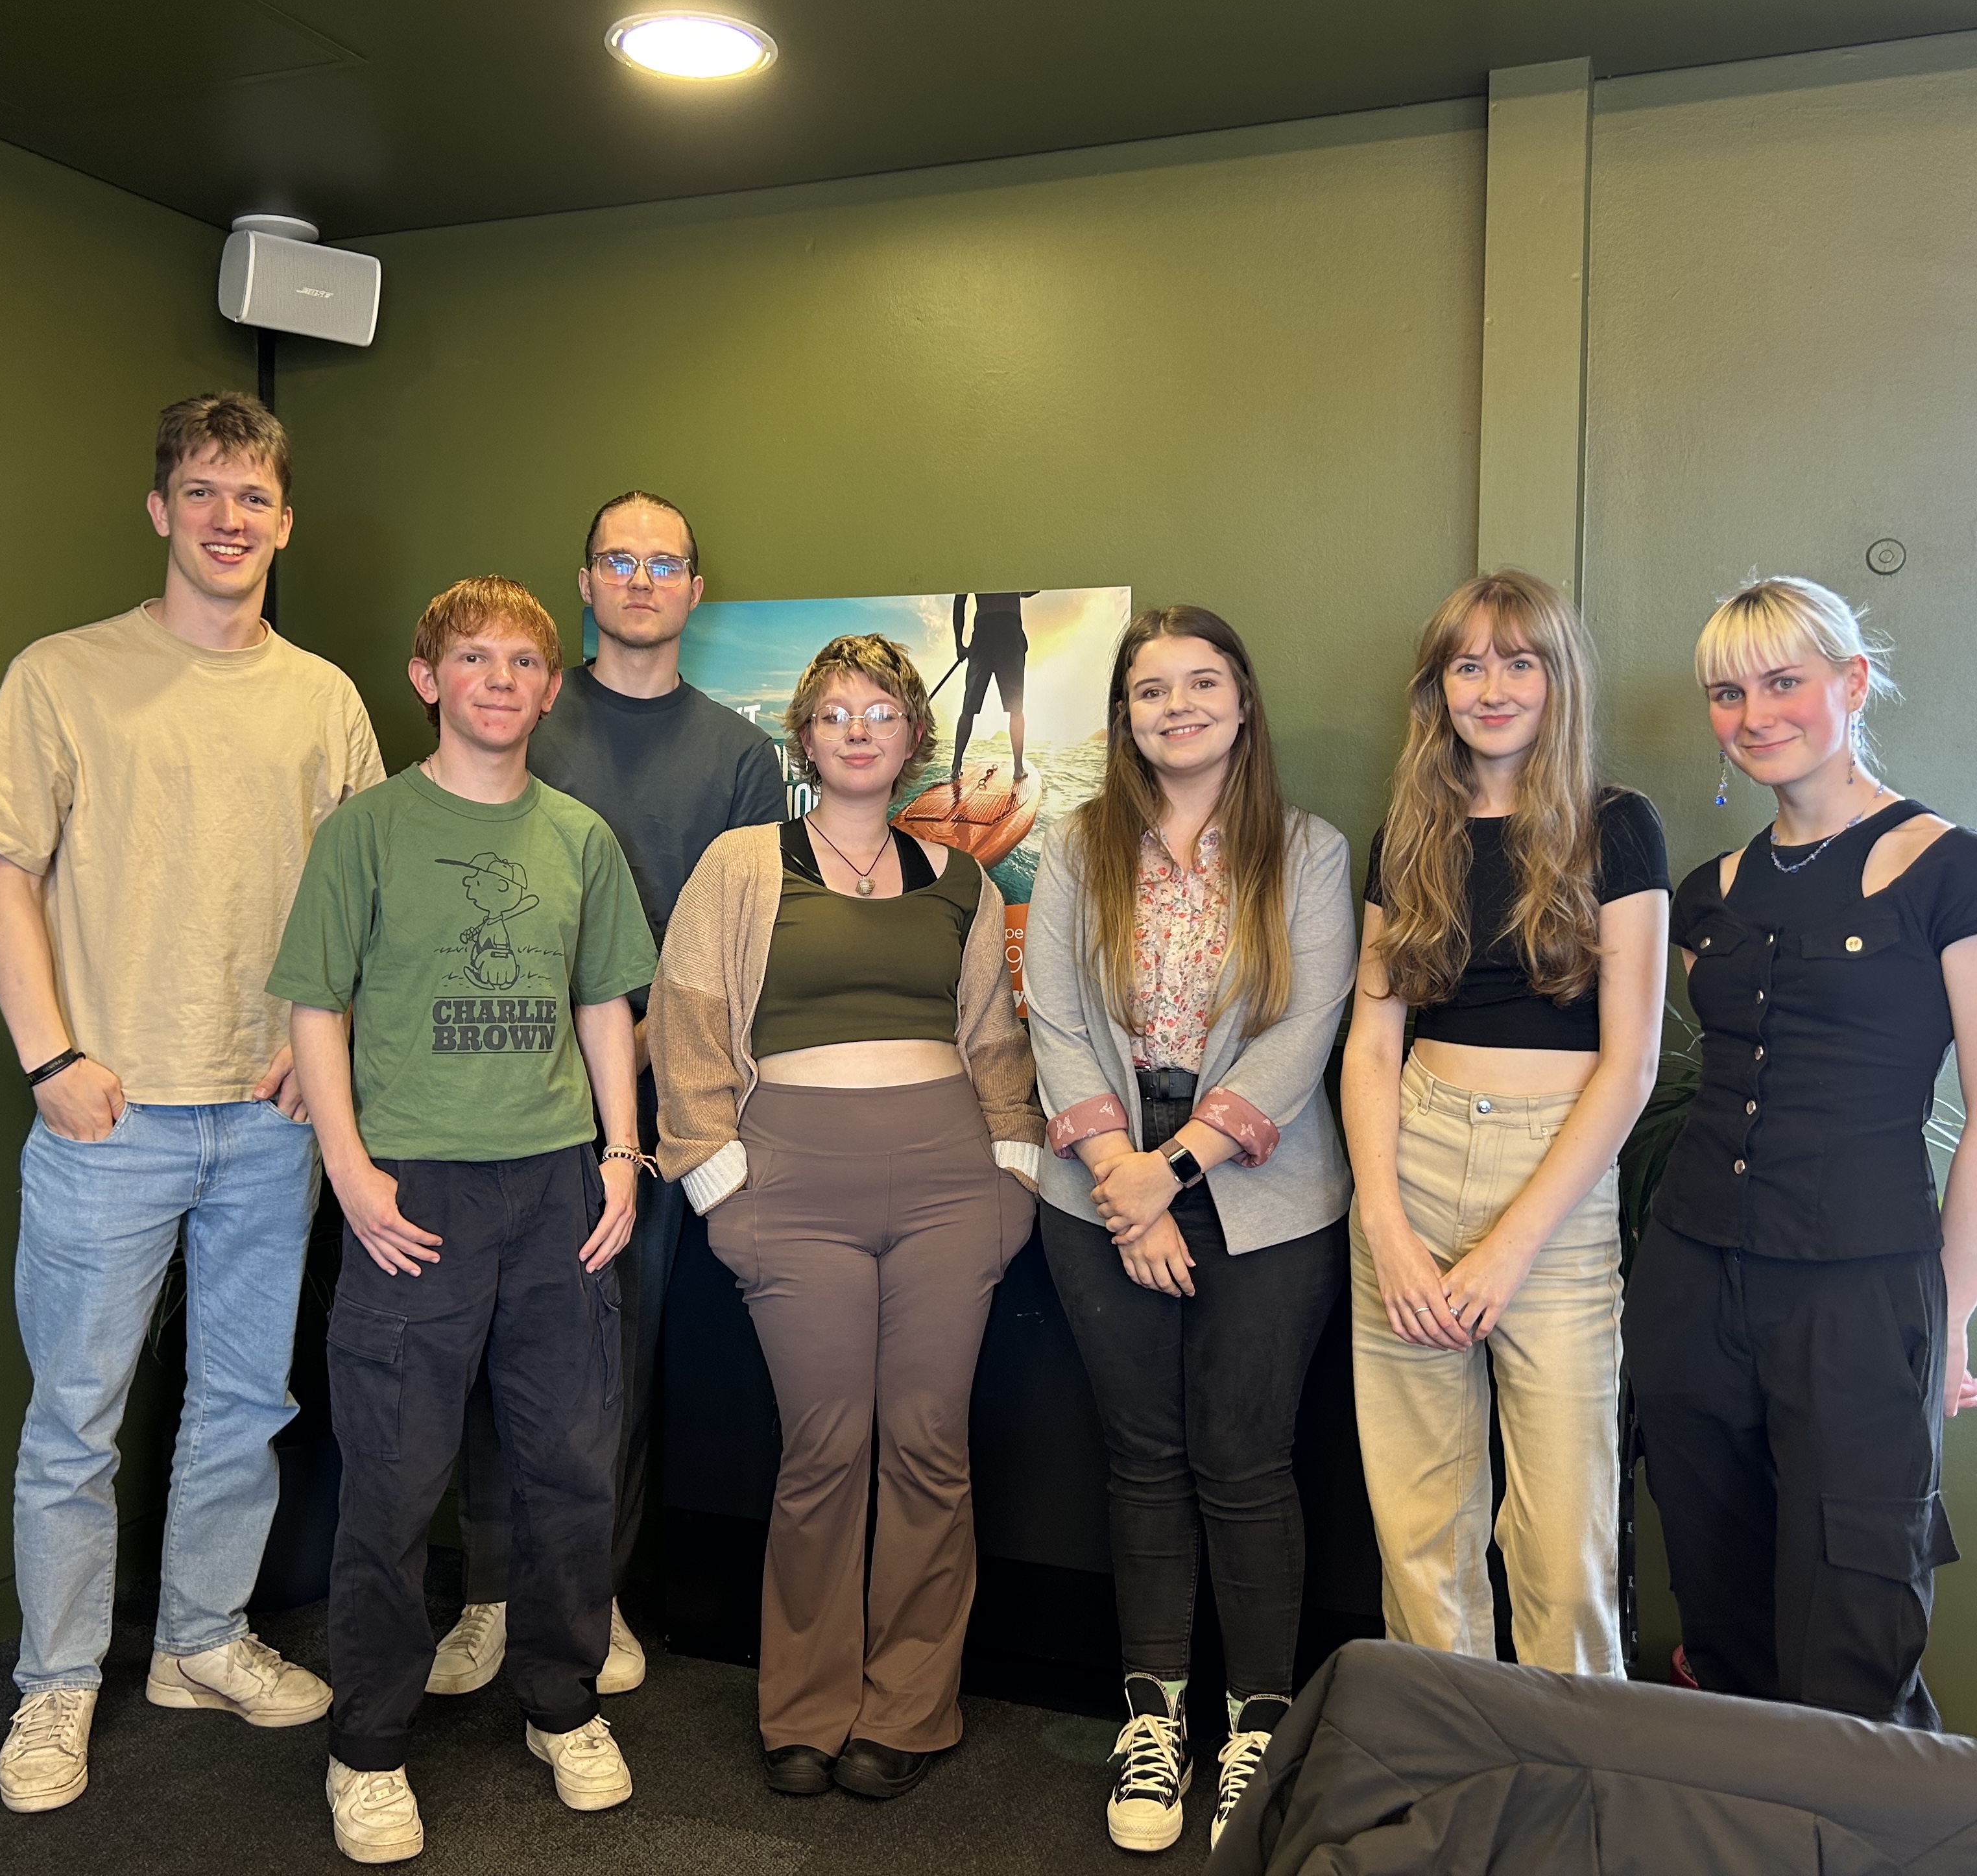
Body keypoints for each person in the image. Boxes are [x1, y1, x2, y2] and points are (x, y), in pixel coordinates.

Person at [0, 393, 382, 1814]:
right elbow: (5, 874)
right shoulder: (62, 674)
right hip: (108, 1115)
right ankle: (57, 1682)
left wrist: (319, 1048)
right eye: (202, 491)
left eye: (252, 496)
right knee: (77, 1419)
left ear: (284, 522)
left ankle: (199, 1640)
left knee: (245, 1400)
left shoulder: (324, 699)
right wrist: (51, 1061)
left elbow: (360, 897)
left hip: (269, 1116)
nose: (226, 518)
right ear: (160, 510)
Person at [270, 576, 656, 1862]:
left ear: (550, 690)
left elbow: (605, 1001)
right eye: (474, 657)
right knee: (390, 1483)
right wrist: (350, 1169)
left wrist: (620, 1154)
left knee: (570, 1469)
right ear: (427, 678)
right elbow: (314, 1004)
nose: (500, 679)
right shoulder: (367, 831)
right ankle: (368, 1745)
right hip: (413, 1193)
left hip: (556, 1190)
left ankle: (562, 1704)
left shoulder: (579, 838)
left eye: (523, 662)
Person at [1630, 575, 1977, 1729]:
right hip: (1691, 1279)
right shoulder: (1706, 894)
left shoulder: (1960, 873)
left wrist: (1944, 1318)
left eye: (1783, 681)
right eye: (1728, 692)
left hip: (1863, 1290)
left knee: (1856, 1624)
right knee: (1717, 1604)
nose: (1754, 714)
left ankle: (1858, 1817)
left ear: (1851, 684)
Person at [650, 633, 1042, 1801]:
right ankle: (807, 1707)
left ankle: (908, 1707)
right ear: (805, 738)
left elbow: (994, 1040)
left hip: (949, 1187)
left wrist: (1014, 1175)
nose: (858, 730)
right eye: (834, 713)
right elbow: (687, 1018)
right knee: (823, 1447)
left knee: (927, 1443)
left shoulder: (962, 879)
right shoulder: (744, 862)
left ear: (913, 734)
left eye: (880, 711)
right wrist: (715, 1179)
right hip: (790, 1185)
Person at [431, 491, 784, 1706]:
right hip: (500, 1092)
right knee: (492, 1348)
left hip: (654, 1094)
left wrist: (629, 1052)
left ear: (694, 589)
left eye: (664, 563)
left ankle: (593, 1598)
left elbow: (736, 937)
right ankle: (489, 1593)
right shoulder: (529, 708)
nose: (641, 578)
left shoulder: (738, 756)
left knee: (612, 1357)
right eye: (619, 559)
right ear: (585, 582)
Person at [1021, 605, 1354, 1855]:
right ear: (1124, 716)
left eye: (1200, 682)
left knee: (1246, 1459)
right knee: (1145, 1457)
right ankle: (1152, 1719)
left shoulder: (1306, 849)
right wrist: (1121, 1172)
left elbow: (1303, 1028)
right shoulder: (1077, 844)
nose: (1177, 707)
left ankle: (1255, 1724)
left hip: (1259, 1189)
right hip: (1099, 1180)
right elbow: (1055, 1015)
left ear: (1242, 699)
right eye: (1150, 689)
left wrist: (1169, 1172)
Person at [1340, 570, 1668, 1678]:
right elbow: (1371, 1044)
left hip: (1556, 1180)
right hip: (1412, 1155)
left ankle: (1573, 1770)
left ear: (1557, 678)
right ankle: (1452, 1761)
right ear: (1436, 687)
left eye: (1518, 662)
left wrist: (1511, 1245)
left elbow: (1631, 1064)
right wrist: (1384, 1223)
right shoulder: (1408, 832)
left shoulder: (1617, 825)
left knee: (1564, 1547)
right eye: (1467, 665)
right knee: (1419, 1530)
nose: (1491, 688)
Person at [946, 590, 1037, 783]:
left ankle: (955, 767)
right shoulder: (1012, 570)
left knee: (968, 709)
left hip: (984, 633)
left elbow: (959, 601)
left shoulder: (974, 572)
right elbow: (1032, 589)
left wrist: (959, 645)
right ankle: (1018, 768)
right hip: (1009, 632)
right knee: (1016, 709)